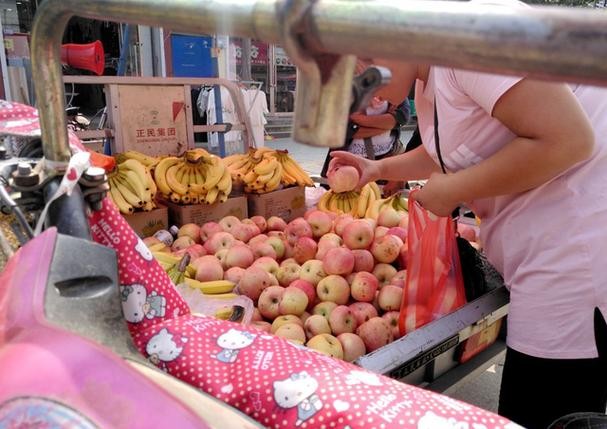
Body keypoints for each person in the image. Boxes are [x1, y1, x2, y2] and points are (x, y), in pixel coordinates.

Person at [330, 13, 607, 429]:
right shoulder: (429, 77)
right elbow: (452, 150)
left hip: (573, 253)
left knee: (544, 411)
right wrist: (377, 168)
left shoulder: (472, 42)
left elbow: (570, 138)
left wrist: (454, 190)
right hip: (540, 250)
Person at [320, 59, 411, 194]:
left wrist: (360, 120)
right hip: (347, 164)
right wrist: (384, 124)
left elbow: (402, 117)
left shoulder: (390, 85)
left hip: (387, 160)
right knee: (344, 203)